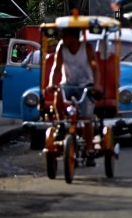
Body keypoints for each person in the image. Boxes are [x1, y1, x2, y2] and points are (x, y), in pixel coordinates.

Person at [46, 28, 101, 167]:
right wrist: (52, 83)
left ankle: (89, 150)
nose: (62, 38)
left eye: (65, 35)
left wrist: (97, 84)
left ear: (74, 37)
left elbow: (95, 67)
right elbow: (56, 67)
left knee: (86, 119)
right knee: (58, 93)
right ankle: (61, 124)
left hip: (86, 85)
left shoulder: (86, 48)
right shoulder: (61, 47)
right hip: (69, 84)